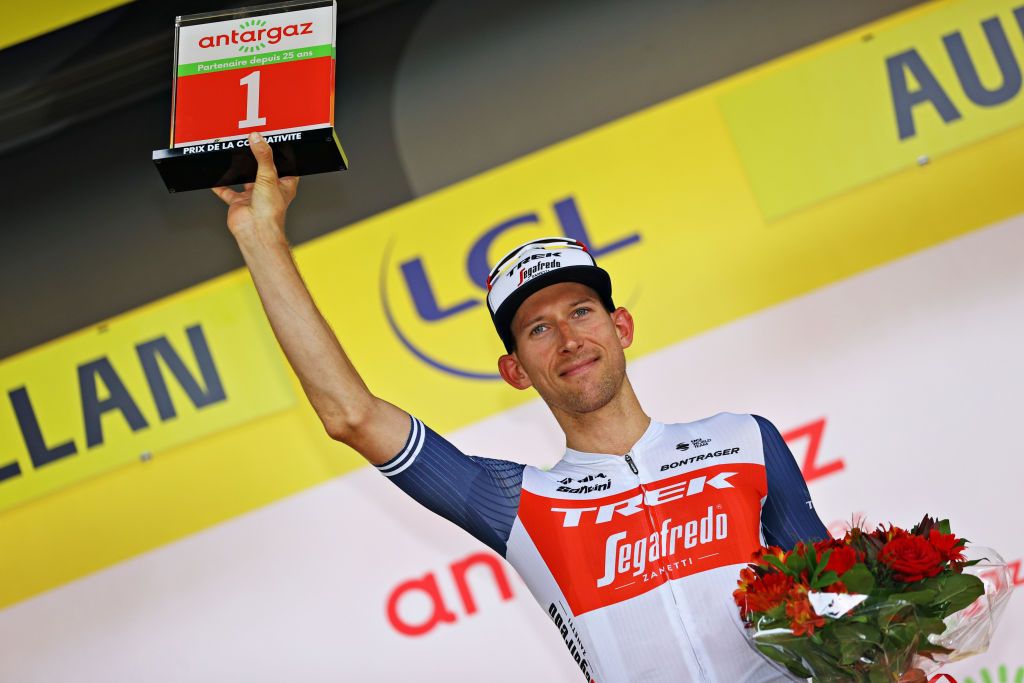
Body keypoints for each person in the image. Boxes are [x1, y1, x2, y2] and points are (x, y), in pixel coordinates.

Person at [213, 132, 926, 683]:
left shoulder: (746, 441)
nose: (569, 338)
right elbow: (351, 415)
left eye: (582, 310)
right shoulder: (514, 501)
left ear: (621, 327)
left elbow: (842, 602)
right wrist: (260, 234)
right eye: (538, 328)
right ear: (515, 370)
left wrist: (900, 651)